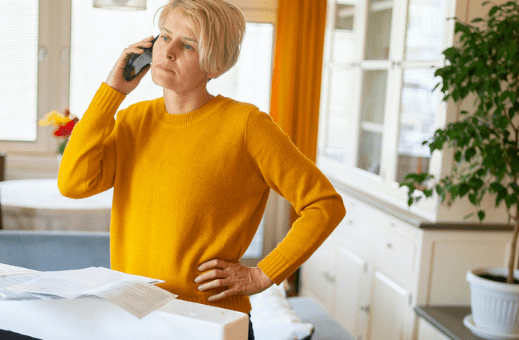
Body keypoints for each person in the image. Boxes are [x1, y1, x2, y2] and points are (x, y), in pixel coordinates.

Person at [58, 0, 345, 337]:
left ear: (216, 65)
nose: (168, 52)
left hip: (209, 322)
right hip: (134, 317)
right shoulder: (133, 120)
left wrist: (263, 274)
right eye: (165, 37)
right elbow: (74, 183)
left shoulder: (247, 125)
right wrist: (113, 91)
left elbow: (325, 205)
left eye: (188, 45)